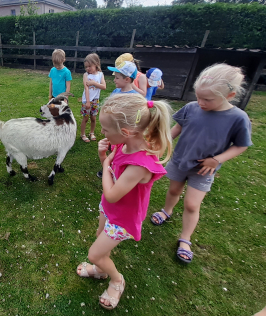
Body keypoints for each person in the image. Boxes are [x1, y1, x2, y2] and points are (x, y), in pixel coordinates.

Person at [76, 93, 172, 310]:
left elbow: (112, 193)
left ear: (126, 132)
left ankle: (116, 280)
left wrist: (104, 164)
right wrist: (105, 158)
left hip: (123, 219)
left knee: (94, 254)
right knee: (100, 237)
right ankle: (100, 269)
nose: (102, 132)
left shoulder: (139, 164)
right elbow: (113, 174)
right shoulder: (124, 144)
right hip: (110, 209)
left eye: (106, 129)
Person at [150, 63, 252, 264]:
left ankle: (185, 239)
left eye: (207, 99)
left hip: (204, 169)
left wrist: (217, 160)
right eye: (198, 96)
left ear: (229, 96)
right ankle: (166, 211)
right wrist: (163, 143)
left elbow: (241, 145)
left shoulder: (238, 118)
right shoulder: (191, 108)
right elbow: (178, 128)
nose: (200, 102)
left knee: (191, 204)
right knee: (173, 191)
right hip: (180, 160)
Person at [97, 60, 141, 178]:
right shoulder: (116, 91)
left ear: (127, 79)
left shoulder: (135, 97)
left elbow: (137, 117)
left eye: (117, 78)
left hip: (125, 131)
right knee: (113, 148)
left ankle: (121, 169)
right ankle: (111, 166)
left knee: (122, 150)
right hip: (113, 129)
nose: (114, 80)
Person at [80, 53, 106, 143]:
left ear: (96, 64)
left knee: (93, 118)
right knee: (86, 118)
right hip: (87, 100)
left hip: (95, 100)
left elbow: (104, 86)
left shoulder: (100, 75)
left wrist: (94, 83)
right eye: (86, 67)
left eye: (89, 66)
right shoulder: (86, 75)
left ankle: (91, 133)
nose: (87, 68)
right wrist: (87, 101)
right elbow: (86, 89)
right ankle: (82, 134)